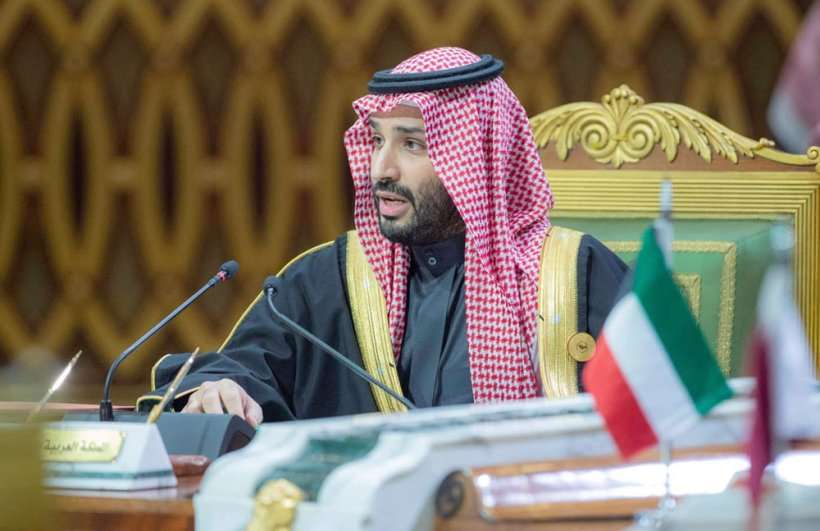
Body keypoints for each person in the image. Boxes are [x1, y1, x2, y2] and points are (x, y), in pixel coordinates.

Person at [137, 48, 628, 427]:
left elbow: (657, 406)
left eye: (411, 144)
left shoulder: (573, 275)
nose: (381, 169)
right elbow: (244, 369)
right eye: (376, 140)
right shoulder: (328, 281)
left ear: (475, 159)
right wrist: (216, 389)